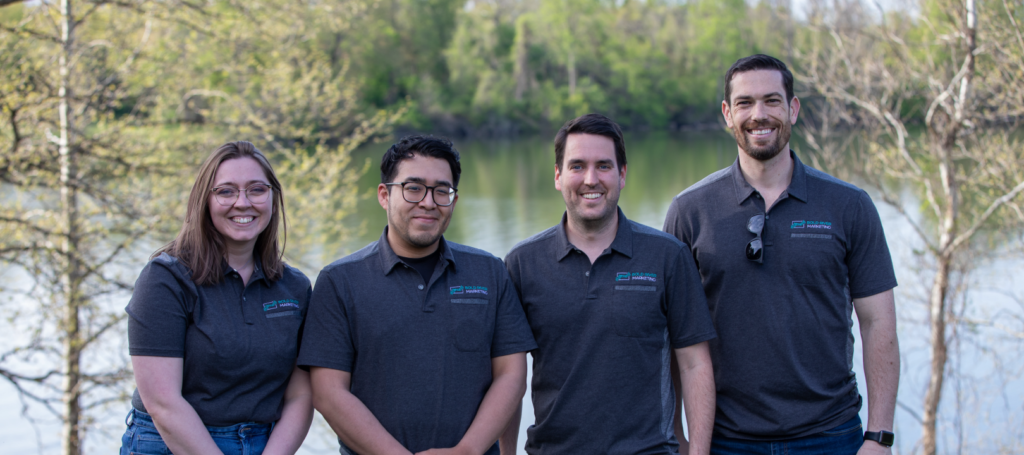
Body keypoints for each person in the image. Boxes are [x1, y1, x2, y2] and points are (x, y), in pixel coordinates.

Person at [662, 54, 900, 455]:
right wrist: (678, 436)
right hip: (725, 440)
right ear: (727, 113)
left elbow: (879, 324)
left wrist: (879, 436)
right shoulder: (690, 211)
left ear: (792, 109)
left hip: (832, 435)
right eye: (744, 103)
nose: (759, 115)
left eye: (772, 101)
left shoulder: (849, 205)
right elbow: (670, 337)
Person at [297, 135, 536, 455]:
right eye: (413, 188)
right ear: (384, 195)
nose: (428, 202)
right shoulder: (340, 281)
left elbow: (511, 375)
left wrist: (467, 450)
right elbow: (328, 392)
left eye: (442, 190)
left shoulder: (489, 272)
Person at [501, 114, 717, 454]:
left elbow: (694, 363)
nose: (591, 179)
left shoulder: (667, 256)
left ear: (623, 174)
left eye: (603, 166)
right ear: (558, 176)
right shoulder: (522, 264)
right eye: (577, 166)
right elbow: (507, 377)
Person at [122, 141, 314, 455]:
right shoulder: (165, 280)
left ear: (272, 198)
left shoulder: (295, 288)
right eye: (226, 191)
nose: (243, 202)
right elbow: (163, 403)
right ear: (204, 201)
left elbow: (300, 395)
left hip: (265, 445)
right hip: (170, 443)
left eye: (256, 189)